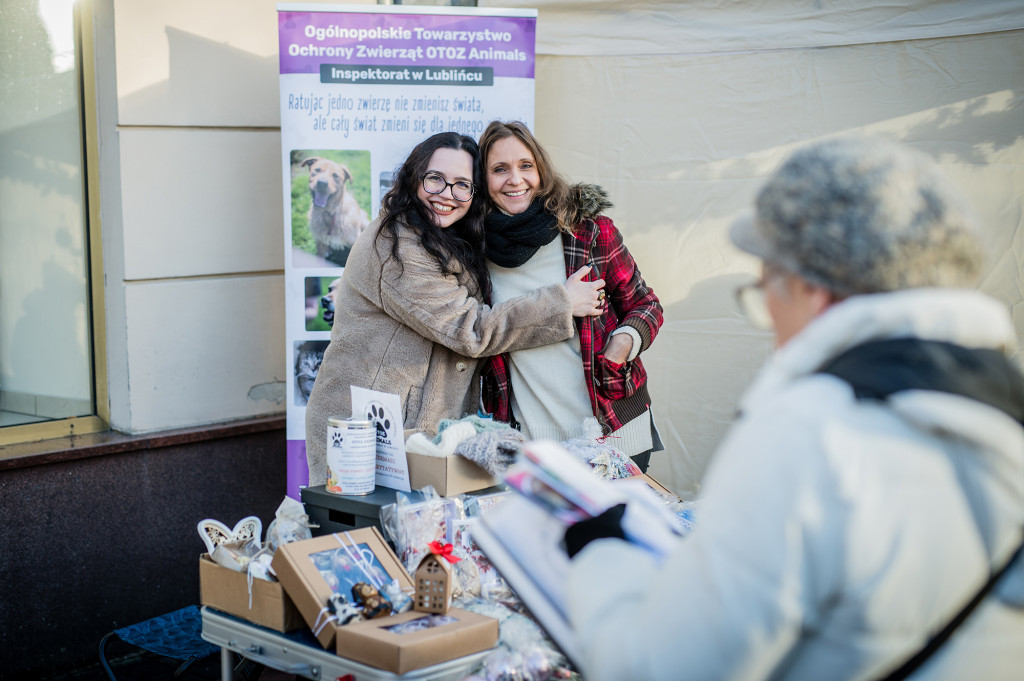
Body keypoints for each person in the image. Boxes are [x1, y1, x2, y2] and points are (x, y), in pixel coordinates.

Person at [564, 136, 1024, 680]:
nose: (773, 327)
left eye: (765, 292)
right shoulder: (1003, 399)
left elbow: (656, 669)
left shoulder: (810, 429)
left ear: (815, 288)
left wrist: (599, 554)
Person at [304, 132, 606, 486]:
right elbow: (469, 329)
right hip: (367, 435)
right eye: (435, 179)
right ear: (413, 179)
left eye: (462, 185)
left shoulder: (446, 239)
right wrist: (561, 303)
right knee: (367, 539)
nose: (447, 195)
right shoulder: (394, 246)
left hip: (416, 430)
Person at [477, 121, 664, 472]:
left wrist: (621, 345)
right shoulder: (475, 253)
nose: (515, 180)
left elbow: (646, 305)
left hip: (612, 427)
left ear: (541, 171)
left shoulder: (588, 232)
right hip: (532, 438)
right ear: (483, 181)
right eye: (499, 169)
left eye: (525, 166)